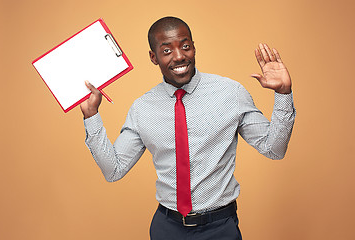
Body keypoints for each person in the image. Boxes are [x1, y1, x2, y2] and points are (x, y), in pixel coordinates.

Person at [80, 16, 296, 240]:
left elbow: (274, 149)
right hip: (167, 228)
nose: (179, 56)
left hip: (220, 227)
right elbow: (114, 170)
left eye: (185, 46)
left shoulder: (230, 93)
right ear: (153, 57)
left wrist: (283, 94)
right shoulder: (142, 108)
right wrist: (91, 116)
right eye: (166, 51)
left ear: (194, 48)